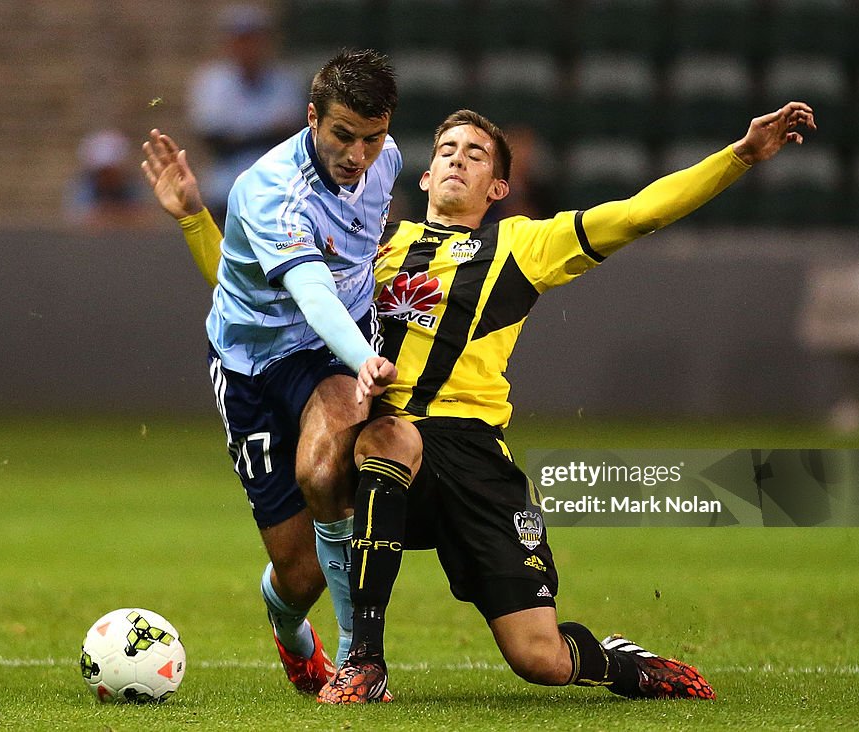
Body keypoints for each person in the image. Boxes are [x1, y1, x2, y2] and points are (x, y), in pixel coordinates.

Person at [148, 101, 816, 703]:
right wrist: (191, 216)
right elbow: (264, 297)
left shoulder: (523, 244)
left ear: (498, 187)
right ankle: (364, 661)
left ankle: (620, 665)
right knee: (387, 439)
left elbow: (639, 213)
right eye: (445, 151)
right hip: (387, 447)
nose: (456, 160)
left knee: (539, 658)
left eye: (475, 154)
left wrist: (741, 157)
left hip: (476, 461)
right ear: (424, 176)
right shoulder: (372, 248)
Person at [143, 48, 400, 696]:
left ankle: (356, 662)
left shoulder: (385, 161)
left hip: (327, 355)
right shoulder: (267, 190)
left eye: (372, 138)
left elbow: (351, 264)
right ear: (311, 117)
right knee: (300, 572)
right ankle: (291, 635)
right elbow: (313, 292)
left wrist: (358, 347)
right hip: (251, 365)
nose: (357, 155)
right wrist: (366, 355)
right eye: (343, 135)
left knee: (324, 471)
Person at [188, 4, 306, 227]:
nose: (247, 47)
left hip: (276, 192)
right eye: (241, 39)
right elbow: (214, 139)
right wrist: (266, 132)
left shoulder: (284, 80)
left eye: (253, 39)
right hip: (225, 191)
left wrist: (239, 134)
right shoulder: (212, 81)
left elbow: (292, 135)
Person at [65, 129, 153, 229]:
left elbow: (145, 218)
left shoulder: (133, 186)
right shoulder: (84, 186)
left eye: (111, 171)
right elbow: (78, 219)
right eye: (103, 172)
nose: (107, 177)